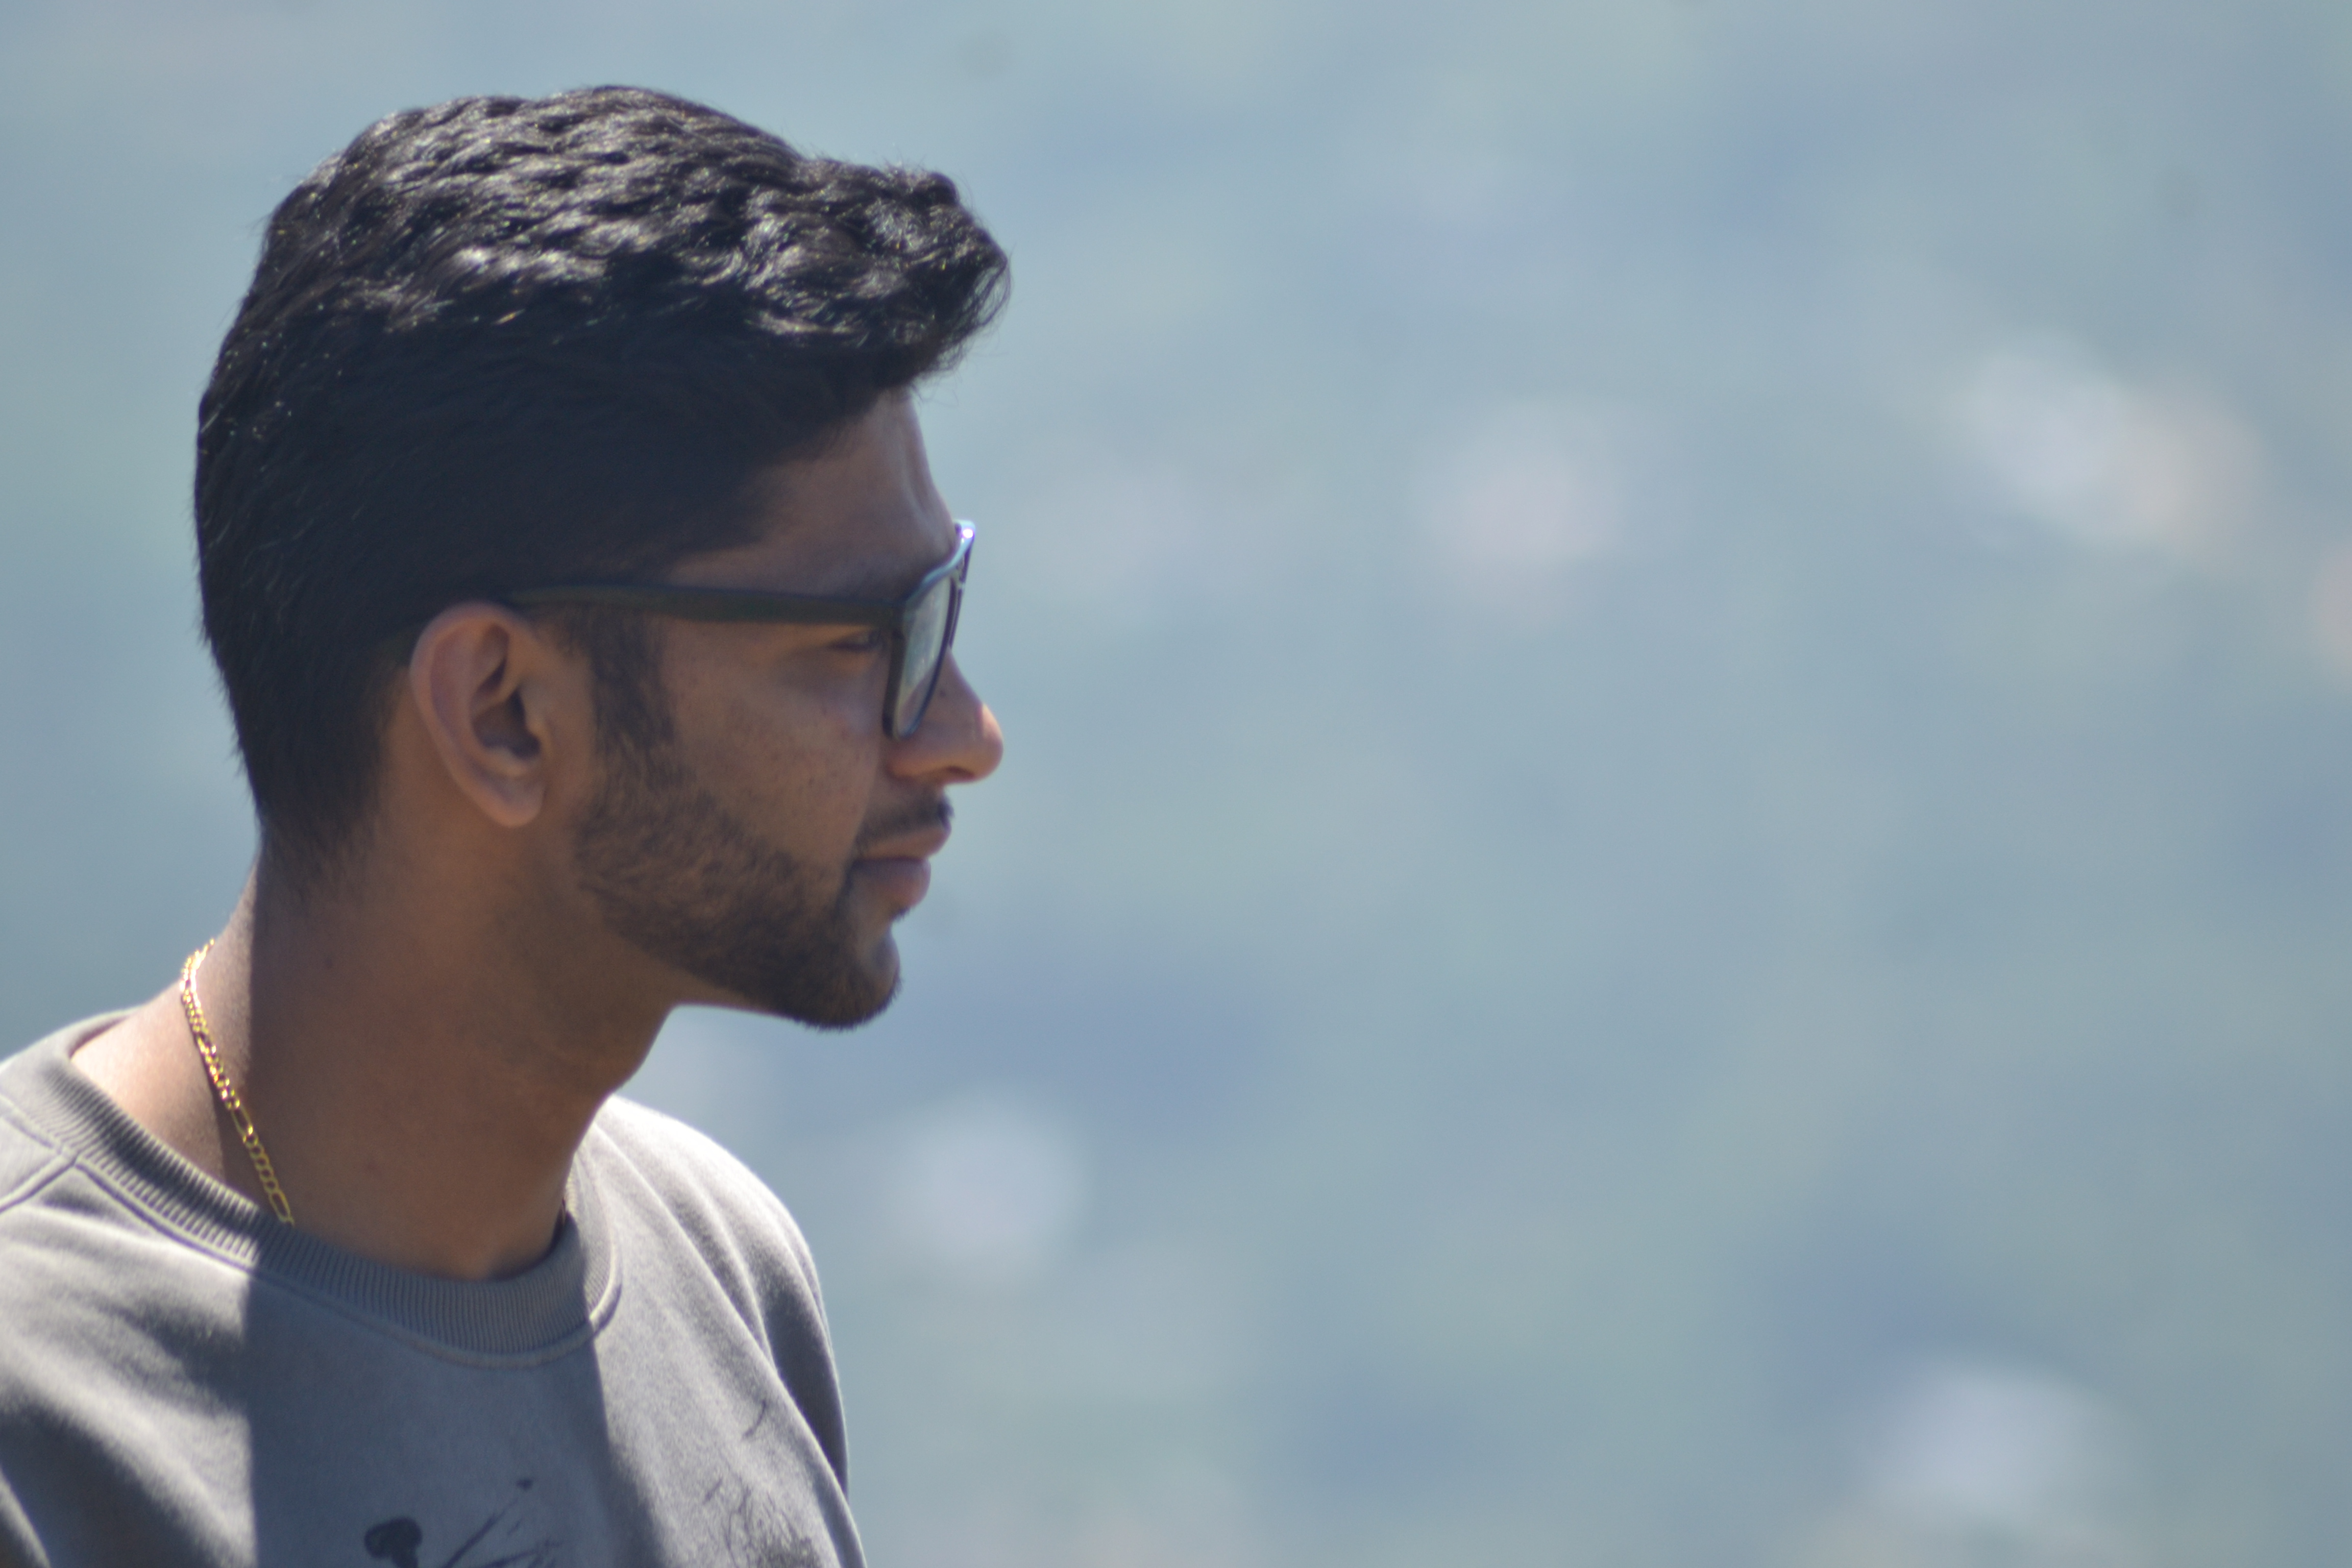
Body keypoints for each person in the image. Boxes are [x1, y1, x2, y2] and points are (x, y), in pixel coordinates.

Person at [0, 85, 1007, 1567]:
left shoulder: (722, 1269)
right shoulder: (43, 1416)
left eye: (943, 607)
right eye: (864, 640)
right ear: (503, 713)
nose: (965, 732)